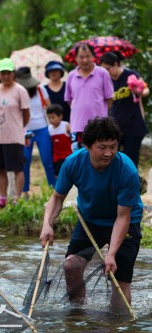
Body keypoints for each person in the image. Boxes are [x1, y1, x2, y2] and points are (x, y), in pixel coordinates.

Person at [40, 118, 142, 311]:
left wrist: (111, 254)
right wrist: (47, 223)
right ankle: (78, 318)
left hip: (124, 224)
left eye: (113, 147)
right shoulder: (73, 163)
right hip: (90, 221)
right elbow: (57, 198)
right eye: (102, 147)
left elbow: (123, 217)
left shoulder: (127, 170)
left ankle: (117, 331)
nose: (108, 153)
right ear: (87, 146)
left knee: (119, 280)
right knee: (71, 266)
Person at [0, 58, 30, 208]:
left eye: (8, 73)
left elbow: (26, 113)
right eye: (2, 73)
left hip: (14, 136)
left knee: (17, 168)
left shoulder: (20, 90)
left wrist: (19, 128)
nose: (5, 76)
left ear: (13, 73)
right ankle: (2, 198)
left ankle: (17, 197)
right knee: (0, 169)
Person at [99, 52, 150, 168]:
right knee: (113, 158)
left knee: (131, 159)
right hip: (116, 127)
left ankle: (133, 184)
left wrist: (139, 91)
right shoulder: (107, 81)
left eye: (108, 69)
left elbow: (146, 90)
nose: (106, 72)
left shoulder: (131, 75)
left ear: (116, 64)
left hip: (134, 126)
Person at [16, 66, 56, 199]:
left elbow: (50, 108)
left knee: (47, 160)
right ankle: (25, 191)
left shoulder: (40, 90)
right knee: (25, 162)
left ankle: (53, 189)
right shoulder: (17, 92)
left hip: (42, 128)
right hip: (25, 130)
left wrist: (54, 125)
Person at [65, 43, 113, 150]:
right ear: (76, 58)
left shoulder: (102, 73)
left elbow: (109, 98)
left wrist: (101, 112)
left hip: (99, 126)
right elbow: (69, 100)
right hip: (77, 127)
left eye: (88, 56)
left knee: (99, 157)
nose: (85, 60)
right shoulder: (71, 76)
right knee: (79, 159)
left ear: (93, 57)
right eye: (81, 57)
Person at [47, 104, 72, 177]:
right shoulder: (49, 129)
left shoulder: (66, 125)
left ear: (60, 116)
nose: (51, 120)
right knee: (57, 175)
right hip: (56, 158)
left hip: (67, 156)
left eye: (53, 117)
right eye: (49, 118)